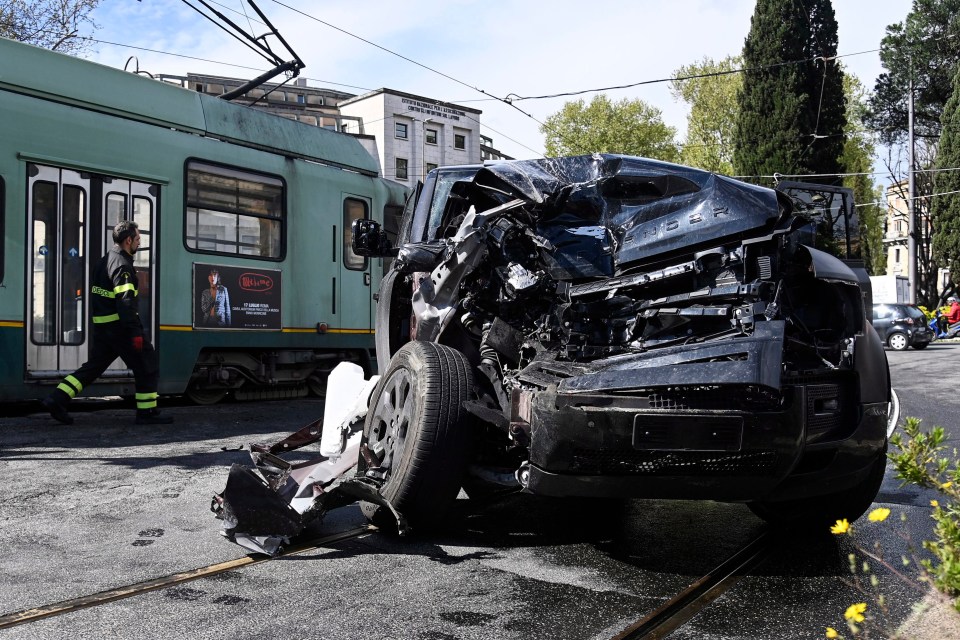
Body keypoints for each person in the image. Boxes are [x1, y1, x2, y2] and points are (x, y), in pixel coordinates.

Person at [43, 221, 173, 425]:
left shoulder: (104, 261)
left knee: (93, 368)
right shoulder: (123, 265)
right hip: (121, 328)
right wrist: (135, 333)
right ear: (128, 240)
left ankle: (57, 398)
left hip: (104, 328)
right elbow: (126, 302)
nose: (139, 243)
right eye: (138, 239)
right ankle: (146, 413)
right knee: (147, 365)